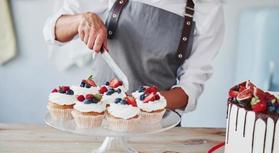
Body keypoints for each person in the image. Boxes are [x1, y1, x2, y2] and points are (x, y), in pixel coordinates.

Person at [43, 0, 224, 113]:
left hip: (156, 128)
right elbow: (51, 31)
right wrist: (81, 19)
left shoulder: (208, 10)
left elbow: (189, 92)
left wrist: (143, 103)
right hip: (98, 116)